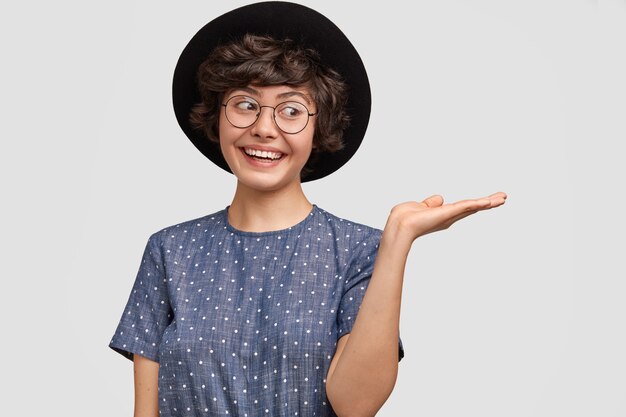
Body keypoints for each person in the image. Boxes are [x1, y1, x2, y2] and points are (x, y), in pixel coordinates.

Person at [108, 2, 507, 417]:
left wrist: (398, 240)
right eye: (245, 103)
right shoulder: (169, 250)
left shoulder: (361, 250)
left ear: (319, 128)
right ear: (218, 114)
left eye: (291, 110)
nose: (264, 127)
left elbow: (356, 405)